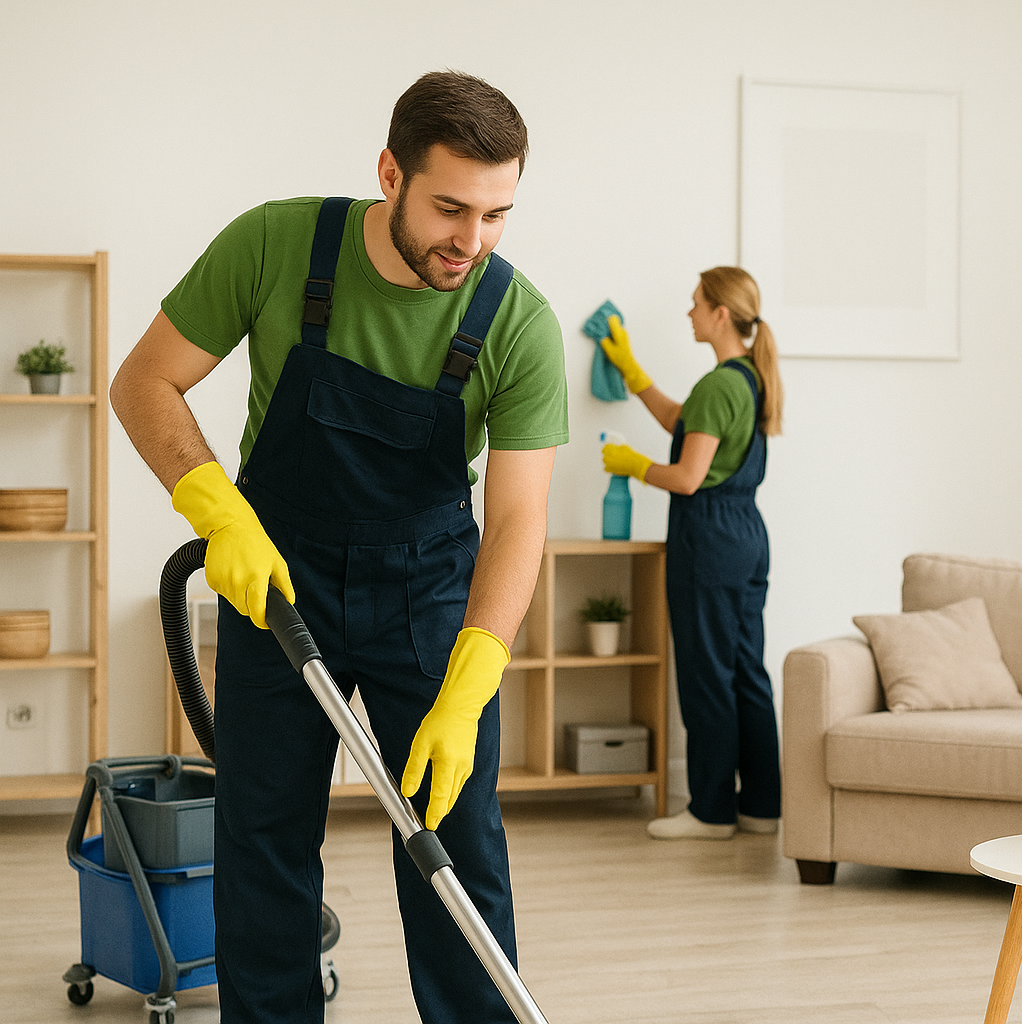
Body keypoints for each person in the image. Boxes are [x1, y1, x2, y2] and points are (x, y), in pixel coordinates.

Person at [109, 71, 567, 1024]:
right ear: (390, 172)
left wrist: (474, 675)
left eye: (497, 214)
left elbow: (520, 515)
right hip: (281, 578)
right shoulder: (276, 243)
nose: (471, 243)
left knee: (458, 842)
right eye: (450, 208)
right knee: (263, 838)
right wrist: (219, 515)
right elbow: (145, 382)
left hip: (431, 589)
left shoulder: (517, 321)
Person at [598, 267, 784, 840]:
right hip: (745, 535)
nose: (689, 312)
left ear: (720, 314)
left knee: (707, 674)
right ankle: (760, 805)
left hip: (709, 539)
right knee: (745, 671)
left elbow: (686, 476)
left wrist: (635, 465)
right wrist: (634, 375)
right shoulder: (747, 380)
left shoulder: (718, 385)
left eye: (696, 303)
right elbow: (683, 422)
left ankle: (710, 811)